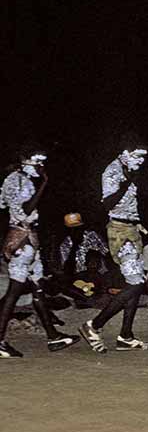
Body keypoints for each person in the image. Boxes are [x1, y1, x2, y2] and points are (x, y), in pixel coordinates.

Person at [0, 150, 79, 357]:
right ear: (24, 161)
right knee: (14, 292)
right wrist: (44, 183)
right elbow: (25, 211)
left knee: (38, 289)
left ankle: (53, 336)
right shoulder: (16, 180)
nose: (40, 165)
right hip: (21, 241)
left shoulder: (21, 180)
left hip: (29, 240)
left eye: (43, 161)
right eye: (37, 161)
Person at [79, 144, 148, 353]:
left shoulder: (128, 171)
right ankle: (93, 325)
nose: (141, 161)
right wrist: (127, 182)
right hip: (120, 232)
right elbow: (108, 204)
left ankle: (126, 336)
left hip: (131, 229)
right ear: (125, 153)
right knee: (137, 284)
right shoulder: (113, 171)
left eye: (143, 157)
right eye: (137, 156)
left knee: (135, 283)